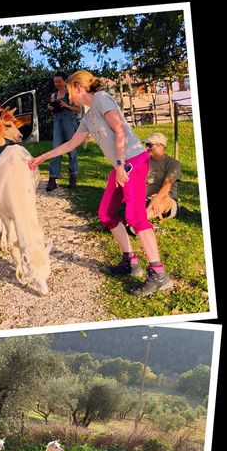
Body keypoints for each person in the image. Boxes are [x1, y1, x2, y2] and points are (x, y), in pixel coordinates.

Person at [28, 70, 173, 296]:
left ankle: (159, 274)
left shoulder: (101, 99)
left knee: (135, 217)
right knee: (106, 213)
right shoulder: (87, 116)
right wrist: (42, 157)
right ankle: (130, 261)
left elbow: (119, 130)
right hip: (122, 164)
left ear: (78, 87)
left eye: (68, 90)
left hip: (132, 161)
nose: (67, 95)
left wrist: (120, 165)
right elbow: (70, 144)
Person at [46, 71, 81, 191]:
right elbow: (53, 112)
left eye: (59, 81)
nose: (57, 83)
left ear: (65, 81)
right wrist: (51, 108)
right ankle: (52, 178)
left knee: (71, 149)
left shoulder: (71, 93)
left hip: (69, 122)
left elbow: (77, 109)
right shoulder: (53, 96)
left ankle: (73, 176)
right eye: (55, 81)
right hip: (57, 123)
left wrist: (65, 106)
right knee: (56, 150)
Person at [144, 132, 181, 222]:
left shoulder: (173, 164)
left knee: (165, 201)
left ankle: (138, 221)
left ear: (162, 146)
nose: (147, 148)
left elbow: (167, 184)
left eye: (150, 145)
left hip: (165, 198)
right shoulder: (145, 161)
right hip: (145, 198)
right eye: (146, 145)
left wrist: (156, 199)